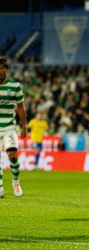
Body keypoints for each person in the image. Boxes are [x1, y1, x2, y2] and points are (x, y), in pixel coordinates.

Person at [0, 57, 27, 198]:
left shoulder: (15, 86)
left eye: (2, 69)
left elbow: (21, 108)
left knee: (12, 156)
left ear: (6, 71)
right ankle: (0, 189)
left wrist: (24, 127)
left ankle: (15, 181)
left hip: (9, 127)